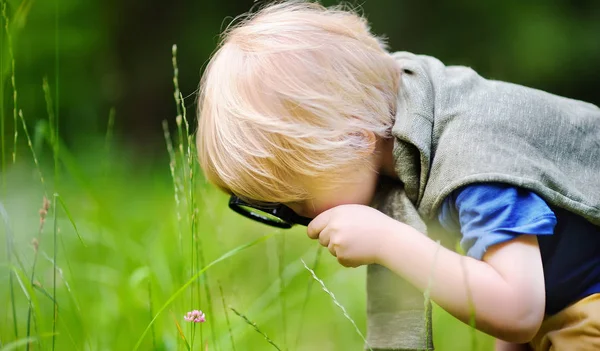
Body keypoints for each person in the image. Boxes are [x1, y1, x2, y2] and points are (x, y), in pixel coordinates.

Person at [195, 1, 600, 350]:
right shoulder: (415, 111)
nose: (303, 219)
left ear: (355, 141)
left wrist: (390, 240)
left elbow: (518, 308)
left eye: (299, 201)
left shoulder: (473, 158)